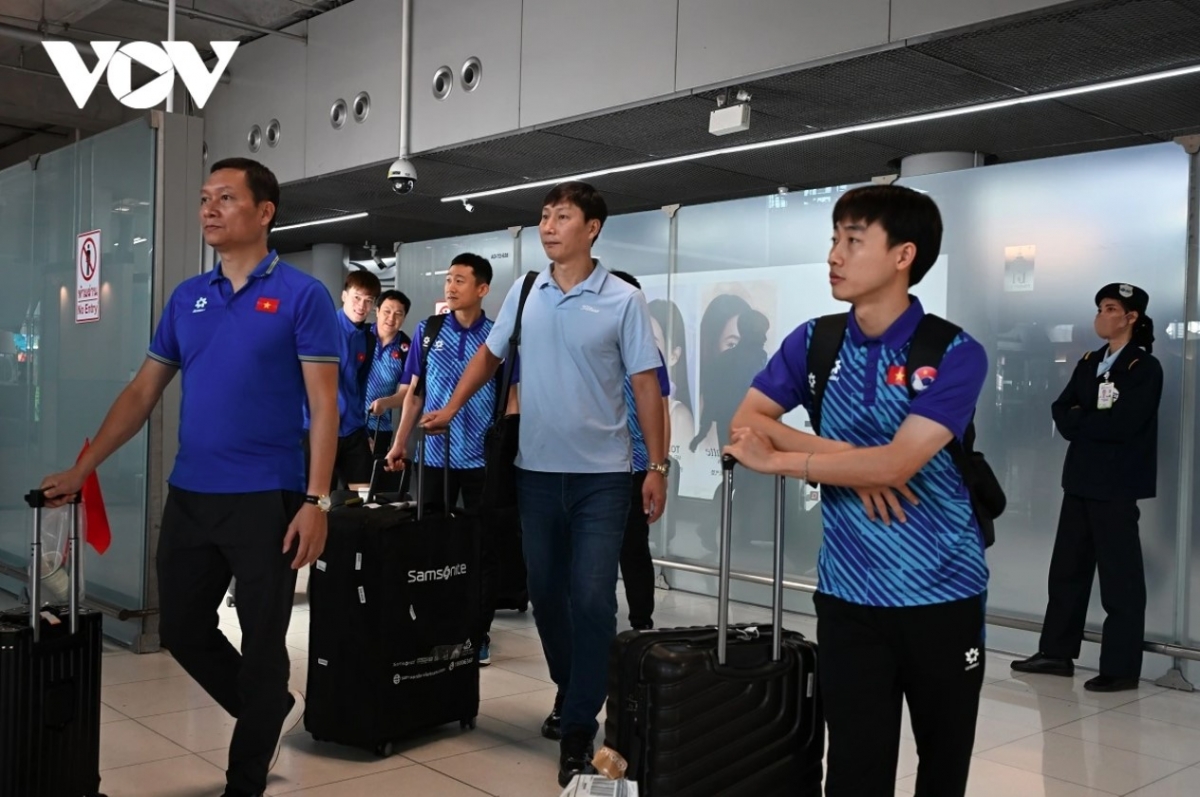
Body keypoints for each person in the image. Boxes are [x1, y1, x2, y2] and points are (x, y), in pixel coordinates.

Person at [39, 158, 339, 797]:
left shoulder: (302, 295)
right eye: (205, 197)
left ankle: (244, 778)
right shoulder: (187, 297)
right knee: (181, 628)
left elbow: (324, 407)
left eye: (225, 198)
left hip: (269, 496)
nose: (208, 208)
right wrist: (82, 467)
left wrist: (317, 500)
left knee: (262, 644)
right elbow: (143, 392)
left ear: (264, 213)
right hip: (193, 492)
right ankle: (265, 712)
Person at [725, 184, 990, 797]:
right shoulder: (815, 342)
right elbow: (748, 419)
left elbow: (898, 464)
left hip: (942, 589)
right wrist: (854, 461)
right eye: (833, 239)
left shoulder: (953, 352)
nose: (834, 255)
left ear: (903, 255)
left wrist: (791, 462)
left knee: (943, 766)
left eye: (853, 240)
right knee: (852, 769)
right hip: (849, 591)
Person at [420, 181, 667, 788]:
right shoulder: (528, 291)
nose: (549, 225)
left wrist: (657, 466)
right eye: (544, 215)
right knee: (547, 596)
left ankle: (580, 722)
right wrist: (451, 407)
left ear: (593, 229)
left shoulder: (623, 300)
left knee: (590, 598)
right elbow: (489, 357)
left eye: (563, 216)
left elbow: (646, 386)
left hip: (603, 479)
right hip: (534, 474)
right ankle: (576, 686)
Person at [1011, 283, 1161, 692]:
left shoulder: (1143, 368)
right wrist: (1087, 420)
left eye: (1111, 308)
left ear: (1131, 317)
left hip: (1115, 485)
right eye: (1100, 307)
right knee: (1067, 571)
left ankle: (1120, 666)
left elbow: (1124, 424)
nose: (1102, 315)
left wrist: (1084, 419)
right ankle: (1056, 653)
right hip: (1079, 480)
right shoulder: (1089, 361)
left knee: (1120, 579)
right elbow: (1061, 410)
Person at [385, 253, 499, 665]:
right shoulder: (428, 330)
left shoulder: (497, 336)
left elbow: (511, 397)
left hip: (479, 462)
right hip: (434, 460)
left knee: (481, 551)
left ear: (482, 289)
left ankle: (477, 633)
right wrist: (401, 443)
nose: (450, 287)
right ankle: (428, 625)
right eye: (448, 279)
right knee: (429, 546)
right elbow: (414, 394)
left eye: (461, 281)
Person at [609, 270, 671, 630]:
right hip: (590, 465)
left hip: (633, 466)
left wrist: (658, 467)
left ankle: (641, 624)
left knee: (633, 548)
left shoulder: (648, 350)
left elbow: (661, 410)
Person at [305, 270, 380, 490]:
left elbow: (360, 385)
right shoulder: (319, 328)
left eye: (369, 301)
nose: (362, 306)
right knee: (320, 500)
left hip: (353, 430)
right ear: (344, 295)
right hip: (317, 429)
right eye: (357, 297)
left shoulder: (368, 338)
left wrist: (364, 430)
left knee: (363, 498)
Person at [364, 289, 413, 458]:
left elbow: (407, 392)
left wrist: (386, 402)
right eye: (386, 311)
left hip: (380, 426)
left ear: (404, 317)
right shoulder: (359, 335)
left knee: (370, 482)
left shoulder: (408, 348)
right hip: (346, 424)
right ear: (377, 311)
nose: (391, 318)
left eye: (398, 313)